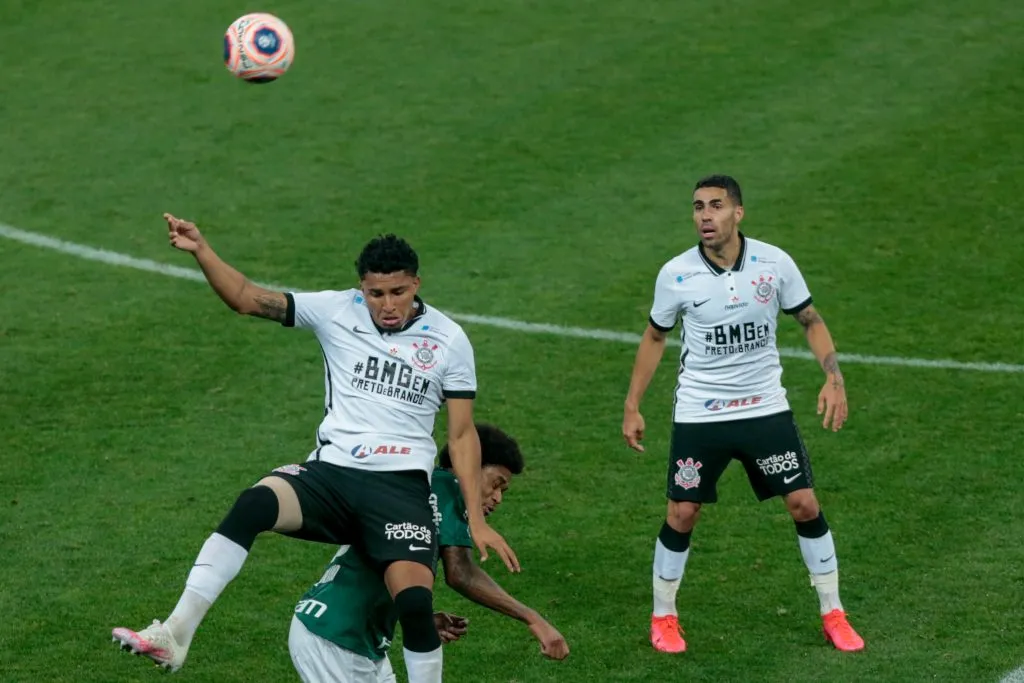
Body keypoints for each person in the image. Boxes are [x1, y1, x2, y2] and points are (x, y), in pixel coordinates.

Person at [112, 214, 517, 682]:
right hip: (333, 476)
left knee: (414, 603)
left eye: (399, 292)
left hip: (400, 490)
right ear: (361, 288)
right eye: (376, 293)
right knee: (254, 504)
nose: (387, 305)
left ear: (416, 284)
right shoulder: (334, 309)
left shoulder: (448, 340)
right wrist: (202, 249)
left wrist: (478, 519)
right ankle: (176, 633)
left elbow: (462, 435)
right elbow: (246, 299)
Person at [621, 175, 865, 654]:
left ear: (738, 213)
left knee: (804, 504)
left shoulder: (774, 263)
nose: (704, 216)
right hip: (700, 412)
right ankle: (664, 617)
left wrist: (833, 376)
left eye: (715, 206)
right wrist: (632, 405)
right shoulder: (676, 274)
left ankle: (834, 613)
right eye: (697, 207)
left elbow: (810, 320)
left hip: (764, 408)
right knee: (682, 511)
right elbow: (654, 337)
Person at [289, 423, 569, 683]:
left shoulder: (422, 485)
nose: (498, 498)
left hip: (351, 636)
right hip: (335, 639)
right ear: (469, 467)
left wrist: (420, 615)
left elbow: (385, 564)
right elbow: (460, 573)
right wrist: (534, 619)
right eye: (496, 483)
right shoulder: (447, 487)